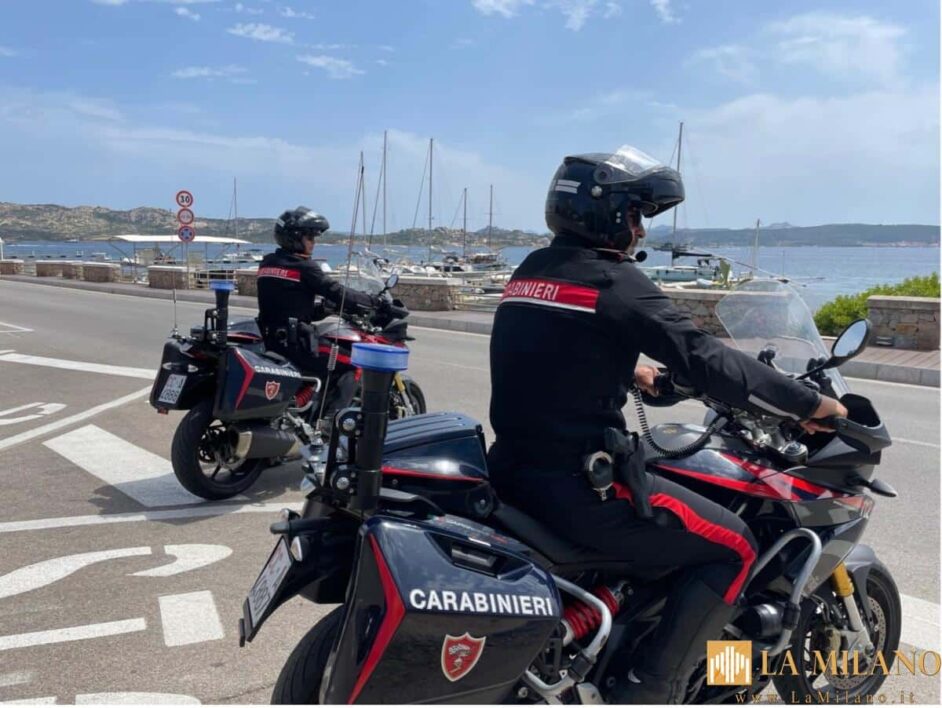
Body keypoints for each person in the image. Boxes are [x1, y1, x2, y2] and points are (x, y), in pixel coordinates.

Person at [487, 146, 848, 704]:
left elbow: (551, 348)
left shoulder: (531, 273)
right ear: (606, 213)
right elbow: (704, 356)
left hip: (514, 470)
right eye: (635, 215)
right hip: (582, 488)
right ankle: (651, 686)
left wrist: (629, 369)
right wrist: (809, 405)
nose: (639, 230)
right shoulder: (612, 281)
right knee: (736, 548)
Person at [256, 207, 377, 392]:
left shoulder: (267, 263)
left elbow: (287, 306)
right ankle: (336, 411)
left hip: (270, 340)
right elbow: (336, 291)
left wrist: (324, 309)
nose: (313, 243)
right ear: (295, 238)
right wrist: (373, 302)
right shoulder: (303, 267)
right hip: (297, 345)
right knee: (355, 362)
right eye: (310, 238)